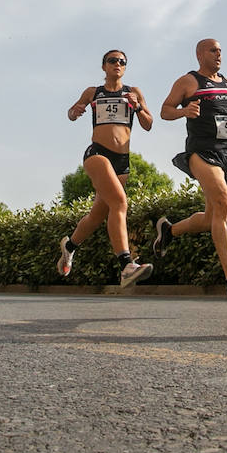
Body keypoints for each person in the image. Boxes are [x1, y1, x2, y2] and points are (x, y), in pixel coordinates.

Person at [154, 39, 227, 299]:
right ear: (200, 54)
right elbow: (165, 111)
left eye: (221, 50)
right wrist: (184, 111)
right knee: (224, 204)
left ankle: (169, 230)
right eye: (213, 50)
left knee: (212, 216)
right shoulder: (188, 82)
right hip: (201, 152)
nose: (219, 54)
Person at [57, 50, 155, 288]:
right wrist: (75, 111)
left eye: (122, 62)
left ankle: (69, 246)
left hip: (122, 162)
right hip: (98, 153)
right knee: (120, 203)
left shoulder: (134, 92)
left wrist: (138, 107)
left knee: (97, 215)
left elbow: (149, 124)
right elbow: (71, 113)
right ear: (104, 66)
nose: (118, 64)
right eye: (113, 61)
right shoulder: (93, 92)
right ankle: (126, 265)